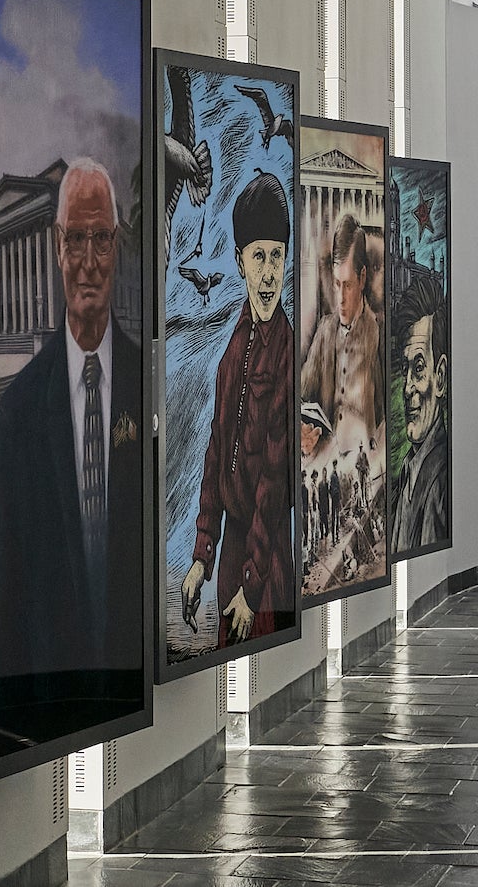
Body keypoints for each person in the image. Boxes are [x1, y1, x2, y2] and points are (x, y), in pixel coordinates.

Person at [0, 158, 143, 713]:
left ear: (118, 245)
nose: (88, 263)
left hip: (136, 680)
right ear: (57, 247)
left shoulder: (150, 386)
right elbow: (9, 597)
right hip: (53, 696)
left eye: (100, 239)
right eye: (75, 240)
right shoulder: (19, 411)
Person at [182, 172, 297, 648]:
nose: (269, 272)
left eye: (276, 256)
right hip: (232, 552)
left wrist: (252, 586)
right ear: (239, 262)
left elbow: (274, 483)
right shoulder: (234, 346)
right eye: (258, 257)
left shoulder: (288, 350)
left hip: (266, 558)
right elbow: (215, 451)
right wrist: (201, 556)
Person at [299, 214, 384, 458]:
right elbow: (301, 393)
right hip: (328, 456)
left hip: (368, 458)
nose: (341, 298)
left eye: (347, 285)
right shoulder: (325, 332)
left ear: (363, 277)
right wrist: (303, 429)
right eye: (336, 284)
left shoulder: (378, 333)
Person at [391, 276, 451, 555]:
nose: (407, 388)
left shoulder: (439, 481)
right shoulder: (408, 470)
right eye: (405, 369)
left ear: (439, 378)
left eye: (418, 368)